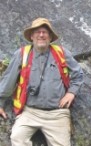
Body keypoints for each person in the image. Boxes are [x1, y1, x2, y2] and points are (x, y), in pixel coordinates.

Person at [0, 17, 83, 146]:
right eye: (37, 32)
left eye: (45, 32)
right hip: (30, 112)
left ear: (50, 37)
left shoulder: (62, 53)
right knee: (17, 138)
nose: (41, 35)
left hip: (57, 113)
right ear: (31, 36)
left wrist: (71, 93)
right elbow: (8, 80)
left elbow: (78, 74)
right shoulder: (22, 54)